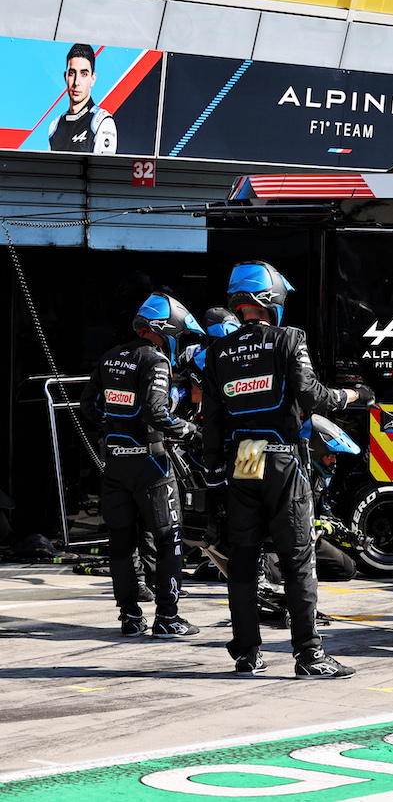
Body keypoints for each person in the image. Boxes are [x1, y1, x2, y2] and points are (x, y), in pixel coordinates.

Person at [202, 260, 373, 678]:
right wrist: (355, 394)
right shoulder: (288, 339)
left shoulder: (218, 351)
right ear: (271, 298)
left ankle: (247, 653)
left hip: (244, 455)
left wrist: (213, 479)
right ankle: (310, 656)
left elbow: (212, 421)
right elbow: (312, 396)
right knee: (298, 560)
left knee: (243, 560)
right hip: (281, 456)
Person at [80, 293, 203, 638]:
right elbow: (156, 412)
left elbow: (87, 406)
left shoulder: (109, 357)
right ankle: (167, 618)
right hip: (152, 465)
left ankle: (130, 618)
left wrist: (116, 428)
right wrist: (189, 429)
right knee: (170, 540)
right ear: (166, 328)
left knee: (120, 543)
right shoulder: (156, 360)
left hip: (116, 466)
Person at [49, 43, 117, 154]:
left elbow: (103, 170)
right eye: (72, 73)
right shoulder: (55, 126)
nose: (76, 82)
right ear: (65, 77)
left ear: (93, 79)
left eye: (84, 74)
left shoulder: (102, 122)